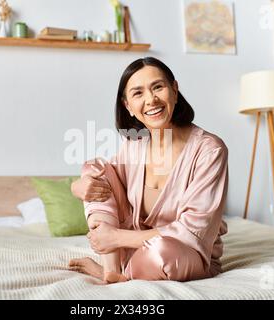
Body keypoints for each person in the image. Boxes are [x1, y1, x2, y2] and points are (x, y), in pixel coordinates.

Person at [69, 57, 228, 284]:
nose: (151, 100)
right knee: (93, 168)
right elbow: (105, 180)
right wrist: (78, 186)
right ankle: (111, 270)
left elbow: (193, 230)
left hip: (183, 253)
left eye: (158, 87)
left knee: (162, 251)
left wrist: (115, 238)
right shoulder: (135, 144)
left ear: (174, 90)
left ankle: (114, 272)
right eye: (138, 93)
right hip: (132, 249)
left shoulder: (210, 150)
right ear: (128, 107)